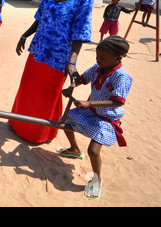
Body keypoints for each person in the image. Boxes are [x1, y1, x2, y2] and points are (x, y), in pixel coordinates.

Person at [9, 0, 94, 143]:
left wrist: (71, 62)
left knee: (47, 96)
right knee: (28, 90)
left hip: (58, 58)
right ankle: (18, 124)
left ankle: (38, 134)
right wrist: (25, 34)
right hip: (38, 50)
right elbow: (40, 18)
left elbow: (80, 33)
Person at [58, 35, 132, 200]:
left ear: (117, 58)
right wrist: (72, 86)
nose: (98, 60)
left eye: (103, 58)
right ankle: (75, 149)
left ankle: (97, 180)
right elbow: (83, 79)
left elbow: (116, 102)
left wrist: (89, 103)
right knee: (65, 120)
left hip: (106, 118)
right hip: (91, 111)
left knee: (93, 151)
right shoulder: (98, 67)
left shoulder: (121, 77)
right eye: (97, 56)